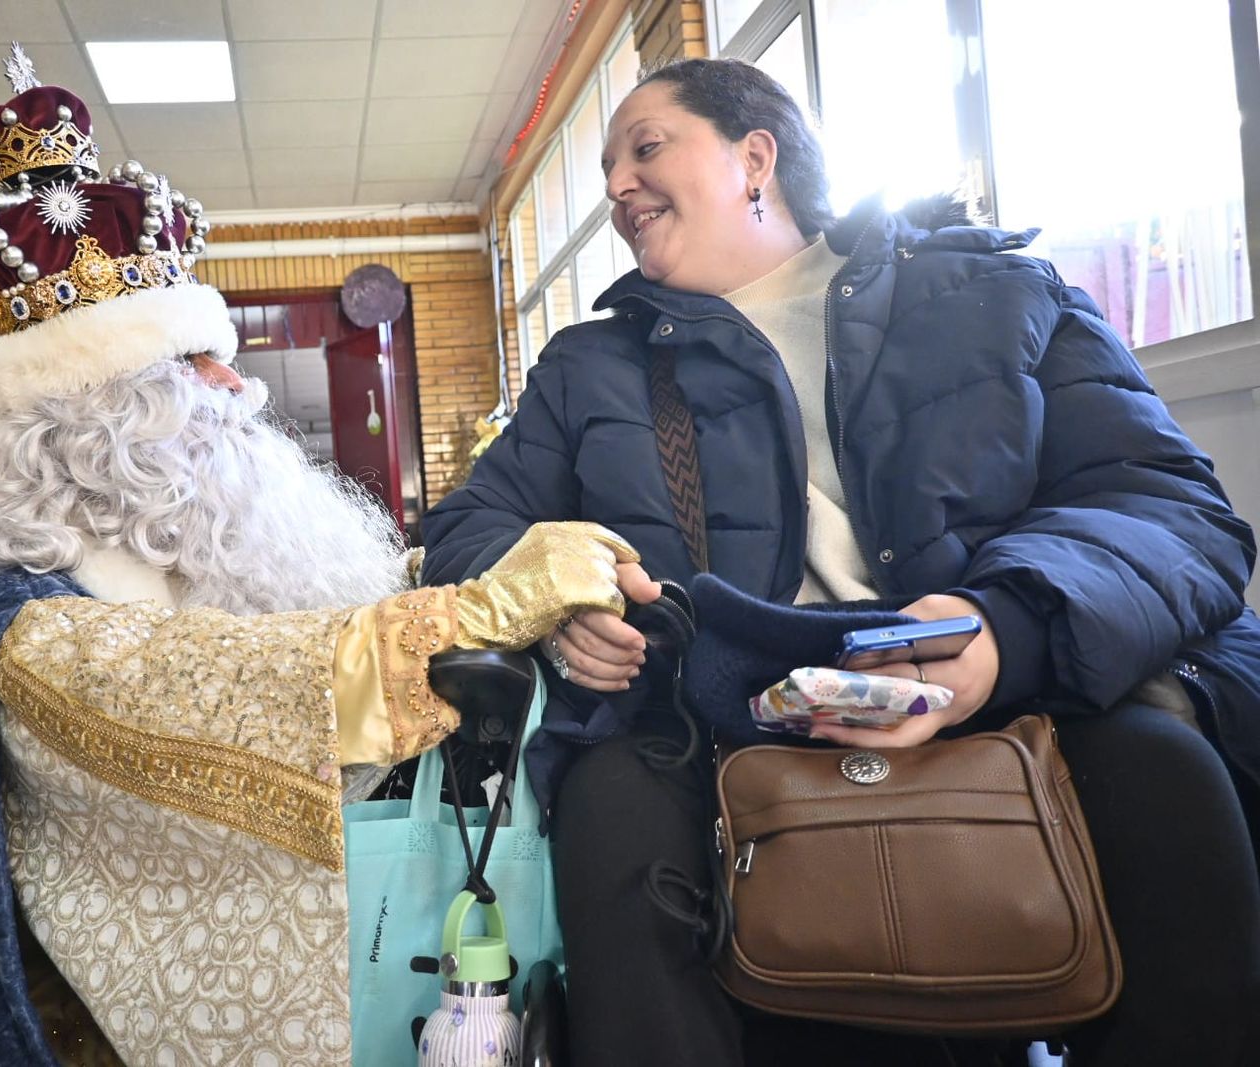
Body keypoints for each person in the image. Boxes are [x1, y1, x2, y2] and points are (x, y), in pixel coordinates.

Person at [0, 52, 642, 1067]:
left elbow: (318, 607)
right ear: (95, 413)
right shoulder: (17, 596)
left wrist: (479, 581)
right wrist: (466, 614)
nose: (237, 381)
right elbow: (185, 687)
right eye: (194, 361)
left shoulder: (187, 525)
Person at [422, 57, 1260, 1066]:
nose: (613, 188)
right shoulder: (588, 366)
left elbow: (1168, 504)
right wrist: (553, 601)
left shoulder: (996, 294)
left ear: (754, 158)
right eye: (607, 167)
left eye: (644, 148)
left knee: (1165, 776)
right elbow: (470, 526)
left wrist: (1003, 630)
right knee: (607, 814)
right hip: (704, 725)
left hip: (1008, 695)